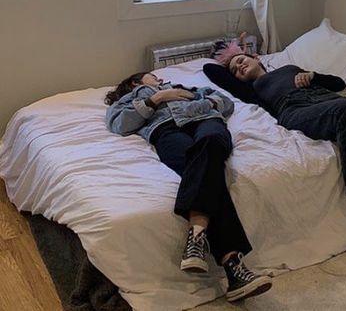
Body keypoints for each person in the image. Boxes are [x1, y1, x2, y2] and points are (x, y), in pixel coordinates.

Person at [204, 43, 346, 263]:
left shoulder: (289, 68)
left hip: (327, 100)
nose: (240, 67)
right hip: (295, 110)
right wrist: (232, 52)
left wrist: (314, 76)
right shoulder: (251, 89)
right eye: (236, 70)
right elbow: (210, 69)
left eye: (242, 61)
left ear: (256, 58)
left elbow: (339, 84)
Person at [105, 72, 272, 303]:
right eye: (153, 77)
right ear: (136, 82)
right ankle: (234, 269)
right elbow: (119, 125)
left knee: (210, 145)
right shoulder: (129, 99)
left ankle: (197, 236)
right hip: (166, 130)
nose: (159, 79)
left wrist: (199, 102)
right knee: (206, 172)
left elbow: (224, 102)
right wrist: (157, 98)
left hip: (206, 122)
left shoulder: (186, 88)